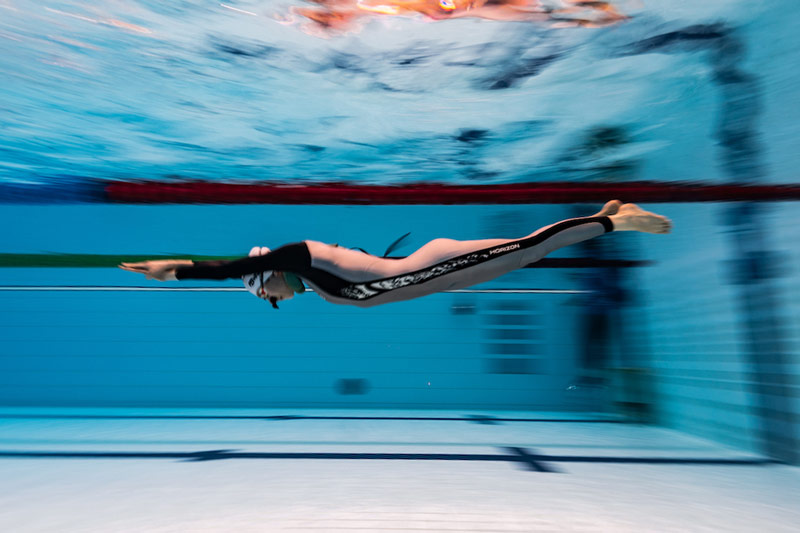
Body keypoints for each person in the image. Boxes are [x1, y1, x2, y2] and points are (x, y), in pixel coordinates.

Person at [119, 201, 671, 308]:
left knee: (530, 247)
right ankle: (608, 213)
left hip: (434, 266)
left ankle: (613, 221)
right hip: (442, 279)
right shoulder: (317, 283)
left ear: (270, 275)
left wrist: (176, 269)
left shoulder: (302, 256)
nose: (277, 299)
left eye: (268, 294)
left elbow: (231, 269)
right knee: (527, 256)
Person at [291, 0, 628, 33]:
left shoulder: (365, 4)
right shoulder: (361, 8)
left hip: (463, 6)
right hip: (468, 9)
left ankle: (601, 13)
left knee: (537, 13)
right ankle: (600, 14)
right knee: (538, 15)